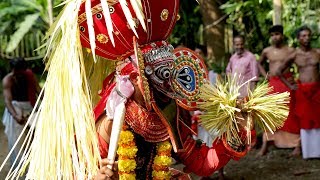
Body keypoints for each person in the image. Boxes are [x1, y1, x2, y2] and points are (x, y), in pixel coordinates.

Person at [277, 26, 320, 159]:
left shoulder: (317, 52)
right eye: (303, 36)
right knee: (304, 118)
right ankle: (307, 151)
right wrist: (290, 85)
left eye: (308, 35)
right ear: (298, 38)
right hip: (302, 90)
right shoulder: (294, 54)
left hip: (316, 89)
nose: (306, 38)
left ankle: (318, 151)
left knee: (318, 118)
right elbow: (279, 71)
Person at [257, 25, 300, 157]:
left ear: (282, 35)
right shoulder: (267, 51)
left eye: (277, 34)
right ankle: (266, 143)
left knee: (290, 112)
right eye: (272, 35)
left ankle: (296, 144)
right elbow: (259, 63)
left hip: (287, 82)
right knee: (271, 113)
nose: (275, 37)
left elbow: (301, 65)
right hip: (273, 83)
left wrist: (296, 79)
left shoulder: (291, 50)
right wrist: (266, 75)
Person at [2, 57, 40, 166]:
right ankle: (19, 168)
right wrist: (15, 116)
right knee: (16, 142)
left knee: (34, 139)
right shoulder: (8, 80)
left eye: (18, 71)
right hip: (15, 110)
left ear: (24, 70)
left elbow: (38, 90)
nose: (15, 73)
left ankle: (35, 166)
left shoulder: (29, 76)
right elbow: (8, 101)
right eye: (14, 70)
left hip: (30, 109)